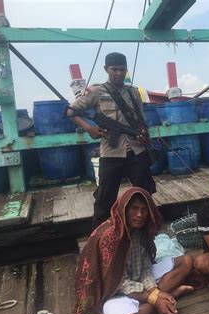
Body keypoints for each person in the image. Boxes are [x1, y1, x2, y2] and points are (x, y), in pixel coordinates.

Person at [72, 187, 194, 314]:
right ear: (124, 209)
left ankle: (158, 302)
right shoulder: (109, 238)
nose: (139, 215)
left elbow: (144, 268)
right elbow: (117, 283)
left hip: (138, 283)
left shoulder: (140, 232)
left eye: (144, 210)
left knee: (187, 261)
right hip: (114, 293)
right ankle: (168, 297)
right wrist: (154, 298)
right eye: (134, 209)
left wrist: (155, 292)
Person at [67, 52, 156, 230]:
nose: (118, 73)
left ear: (126, 70)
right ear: (106, 69)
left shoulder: (133, 92)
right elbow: (71, 111)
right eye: (114, 69)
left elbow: (140, 120)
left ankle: (146, 232)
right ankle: (99, 238)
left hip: (136, 150)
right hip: (111, 151)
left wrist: (142, 132)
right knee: (104, 198)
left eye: (122, 70)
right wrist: (89, 129)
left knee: (144, 194)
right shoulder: (97, 91)